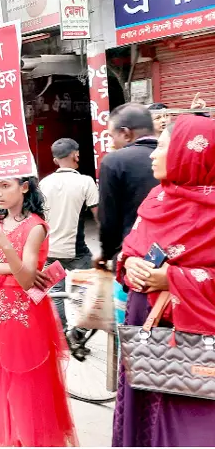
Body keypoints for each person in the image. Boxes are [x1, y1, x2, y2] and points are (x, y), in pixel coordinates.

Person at [112, 115, 215, 446]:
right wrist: (131, 268)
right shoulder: (157, 199)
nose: (153, 154)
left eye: (163, 147)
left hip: (194, 349)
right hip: (147, 339)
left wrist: (172, 279)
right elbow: (132, 250)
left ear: (190, 154)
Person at [0, 177, 78, 447]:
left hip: (24, 312)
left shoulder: (35, 227)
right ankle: (8, 440)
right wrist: (13, 268)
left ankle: (28, 440)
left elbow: (28, 280)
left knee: (26, 384)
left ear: (25, 187)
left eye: (5, 185)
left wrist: (6, 247)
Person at [39, 138, 98, 328]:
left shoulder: (43, 184)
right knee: (91, 288)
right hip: (76, 252)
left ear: (55, 160)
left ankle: (62, 333)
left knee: (56, 293)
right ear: (76, 155)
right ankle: (80, 333)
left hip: (50, 250)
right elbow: (98, 217)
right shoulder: (85, 182)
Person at [98, 103, 161, 264]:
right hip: (176, 254)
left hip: (134, 257)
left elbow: (108, 218)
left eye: (112, 136)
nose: (112, 143)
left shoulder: (115, 161)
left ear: (126, 134)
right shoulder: (177, 156)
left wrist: (107, 254)